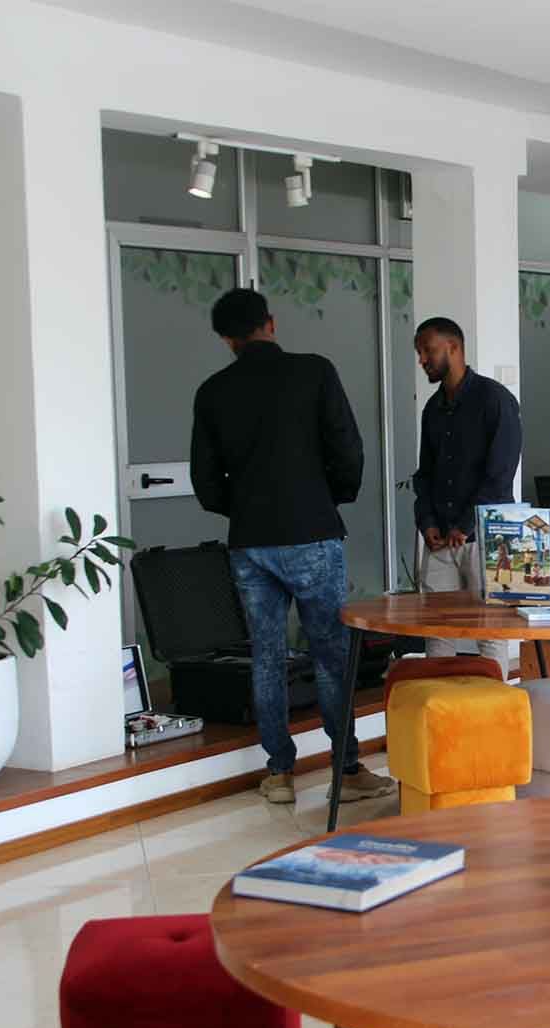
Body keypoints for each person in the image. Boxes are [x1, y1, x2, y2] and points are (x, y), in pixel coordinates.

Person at [190, 288, 396, 806]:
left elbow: (205, 482)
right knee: (329, 655)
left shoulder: (212, 392)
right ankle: (346, 771)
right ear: (271, 323)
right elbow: (347, 448)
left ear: (226, 339)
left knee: (266, 657)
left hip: (250, 542)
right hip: (312, 531)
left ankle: (279, 774)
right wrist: (330, 497)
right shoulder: (314, 372)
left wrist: (244, 508)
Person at [411, 316, 522, 668]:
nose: (422, 360)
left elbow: (501, 474)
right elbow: (425, 474)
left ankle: (495, 702)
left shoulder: (496, 400)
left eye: (427, 351)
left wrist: (465, 524)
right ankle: (440, 702)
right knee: (437, 630)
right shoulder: (432, 409)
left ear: (453, 347)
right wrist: (427, 521)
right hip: (439, 539)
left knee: (492, 631)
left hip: (488, 536)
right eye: (419, 352)